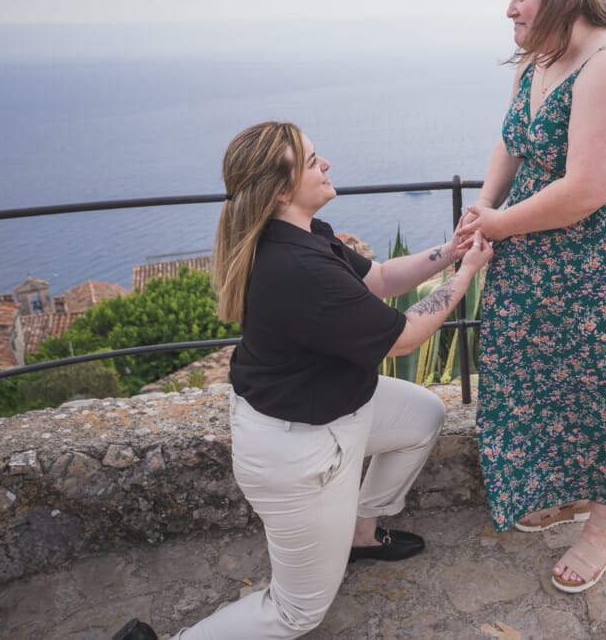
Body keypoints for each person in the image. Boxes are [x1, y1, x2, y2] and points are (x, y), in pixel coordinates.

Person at [114, 120, 492, 640]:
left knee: (424, 415)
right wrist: (466, 276)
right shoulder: (299, 270)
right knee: (296, 613)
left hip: (339, 409)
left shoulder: (302, 235)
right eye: (314, 161)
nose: (327, 164)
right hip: (300, 451)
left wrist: (450, 251)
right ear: (280, 191)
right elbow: (403, 337)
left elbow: (380, 279)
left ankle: (361, 535)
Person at [462, 0, 606, 593]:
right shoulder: (540, 56)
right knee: (527, 367)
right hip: (540, 254)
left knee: (591, 387)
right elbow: (512, 136)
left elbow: (587, 189)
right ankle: (561, 489)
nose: (509, 9)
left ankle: (604, 525)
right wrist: (482, 207)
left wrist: (498, 225)